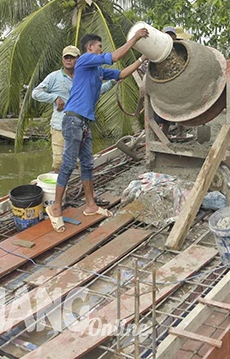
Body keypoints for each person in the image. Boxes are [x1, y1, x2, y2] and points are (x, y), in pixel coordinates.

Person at [46, 29, 149, 232]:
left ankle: (91, 206)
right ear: (90, 47)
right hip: (73, 120)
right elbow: (116, 57)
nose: (102, 50)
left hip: (84, 122)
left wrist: (141, 59)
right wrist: (135, 38)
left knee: (87, 164)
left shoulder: (98, 71)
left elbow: (121, 74)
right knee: (67, 165)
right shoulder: (84, 60)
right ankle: (55, 208)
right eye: (99, 46)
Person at [32, 45, 115, 174]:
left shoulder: (83, 75)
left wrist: (112, 82)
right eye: (66, 57)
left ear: (79, 59)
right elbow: (36, 93)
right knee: (59, 161)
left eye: (72, 57)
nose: (69, 60)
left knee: (79, 160)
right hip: (60, 125)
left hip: (79, 125)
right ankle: (60, 189)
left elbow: (95, 91)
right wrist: (54, 98)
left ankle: (76, 188)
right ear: (62, 59)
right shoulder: (54, 77)